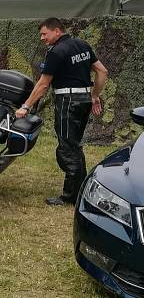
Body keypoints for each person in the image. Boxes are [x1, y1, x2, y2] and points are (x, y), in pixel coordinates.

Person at [15, 17, 108, 206]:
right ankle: (82, 189)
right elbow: (102, 71)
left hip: (68, 102)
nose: (42, 38)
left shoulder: (57, 52)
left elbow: (43, 84)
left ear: (57, 31)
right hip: (83, 101)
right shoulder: (83, 45)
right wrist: (95, 95)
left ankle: (71, 197)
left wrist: (26, 106)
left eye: (44, 34)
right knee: (74, 145)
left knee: (67, 149)